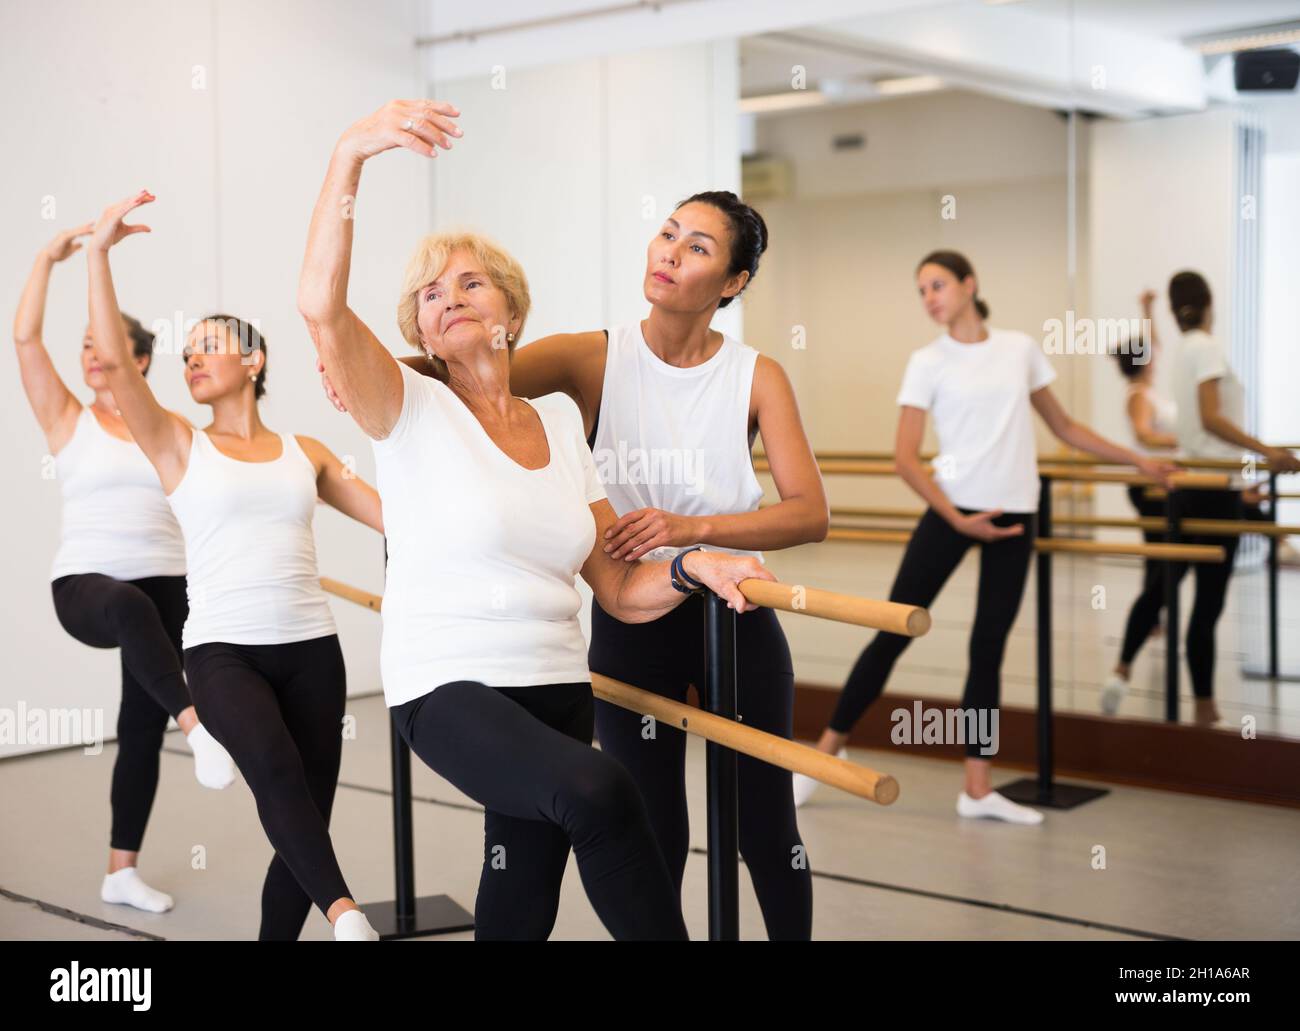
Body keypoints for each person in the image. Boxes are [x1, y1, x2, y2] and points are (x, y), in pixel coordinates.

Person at [299, 98, 778, 940]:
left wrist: (692, 564)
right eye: (430, 294)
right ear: (420, 329)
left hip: (554, 686)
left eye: (469, 283)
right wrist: (351, 157)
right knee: (603, 792)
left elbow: (620, 590)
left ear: (510, 313)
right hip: (450, 687)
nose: (448, 298)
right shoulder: (407, 406)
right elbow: (321, 308)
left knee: (518, 893)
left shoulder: (558, 420)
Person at [87, 190, 385, 940]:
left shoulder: (306, 451)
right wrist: (97, 252)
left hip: (313, 650)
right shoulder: (177, 442)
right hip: (222, 650)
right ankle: (345, 911)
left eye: (206, 347)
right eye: (184, 354)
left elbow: (397, 517)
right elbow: (121, 366)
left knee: (304, 818)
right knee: (277, 775)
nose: (190, 359)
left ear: (252, 359)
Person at [795, 250, 1173, 823]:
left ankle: (976, 788)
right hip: (953, 513)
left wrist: (1138, 462)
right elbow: (905, 458)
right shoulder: (927, 361)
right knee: (892, 630)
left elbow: (1065, 427)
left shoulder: (1018, 349)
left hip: (1017, 512)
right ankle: (824, 757)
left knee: (988, 648)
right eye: (921, 289)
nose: (929, 298)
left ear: (970, 285)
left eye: (938, 285)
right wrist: (955, 517)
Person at [15, 223, 234, 915]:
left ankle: (120, 870)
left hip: (168, 583)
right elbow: (25, 340)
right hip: (88, 587)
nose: (89, 353)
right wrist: (48, 259)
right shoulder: (66, 419)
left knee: (139, 726)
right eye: (83, 345)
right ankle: (198, 727)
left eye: (102, 344)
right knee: (129, 611)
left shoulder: (168, 425)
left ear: (137, 359)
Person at [1162, 270, 1300, 724]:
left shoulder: (1184, 350)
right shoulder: (1206, 347)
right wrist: (1267, 452)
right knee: (1207, 604)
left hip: (1196, 485)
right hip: (1212, 488)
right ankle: (1203, 706)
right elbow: (1210, 419)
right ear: (1208, 305)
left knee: (1183, 595)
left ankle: (1199, 703)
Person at [1101, 291, 1178, 714]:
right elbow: (1144, 434)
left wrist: (1147, 312)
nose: (1158, 355)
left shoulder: (1147, 385)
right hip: (1149, 487)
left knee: (1157, 560)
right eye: (1153, 353)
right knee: (1159, 563)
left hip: (1158, 487)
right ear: (1145, 361)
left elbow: (1156, 343)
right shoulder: (1138, 395)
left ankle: (1156, 623)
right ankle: (1146, 628)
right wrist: (1185, 440)